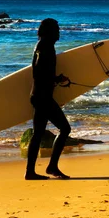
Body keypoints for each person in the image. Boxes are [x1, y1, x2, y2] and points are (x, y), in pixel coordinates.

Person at [25, 18, 72, 180]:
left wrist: (55, 79)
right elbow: (39, 71)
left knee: (37, 134)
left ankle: (30, 172)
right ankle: (52, 167)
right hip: (42, 97)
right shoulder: (45, 45)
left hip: (39, 95)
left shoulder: (43, 44)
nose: (59, 32)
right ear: (50, 31)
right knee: (65, 129)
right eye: (57, 29)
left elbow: (41, 71)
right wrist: (56, 79)